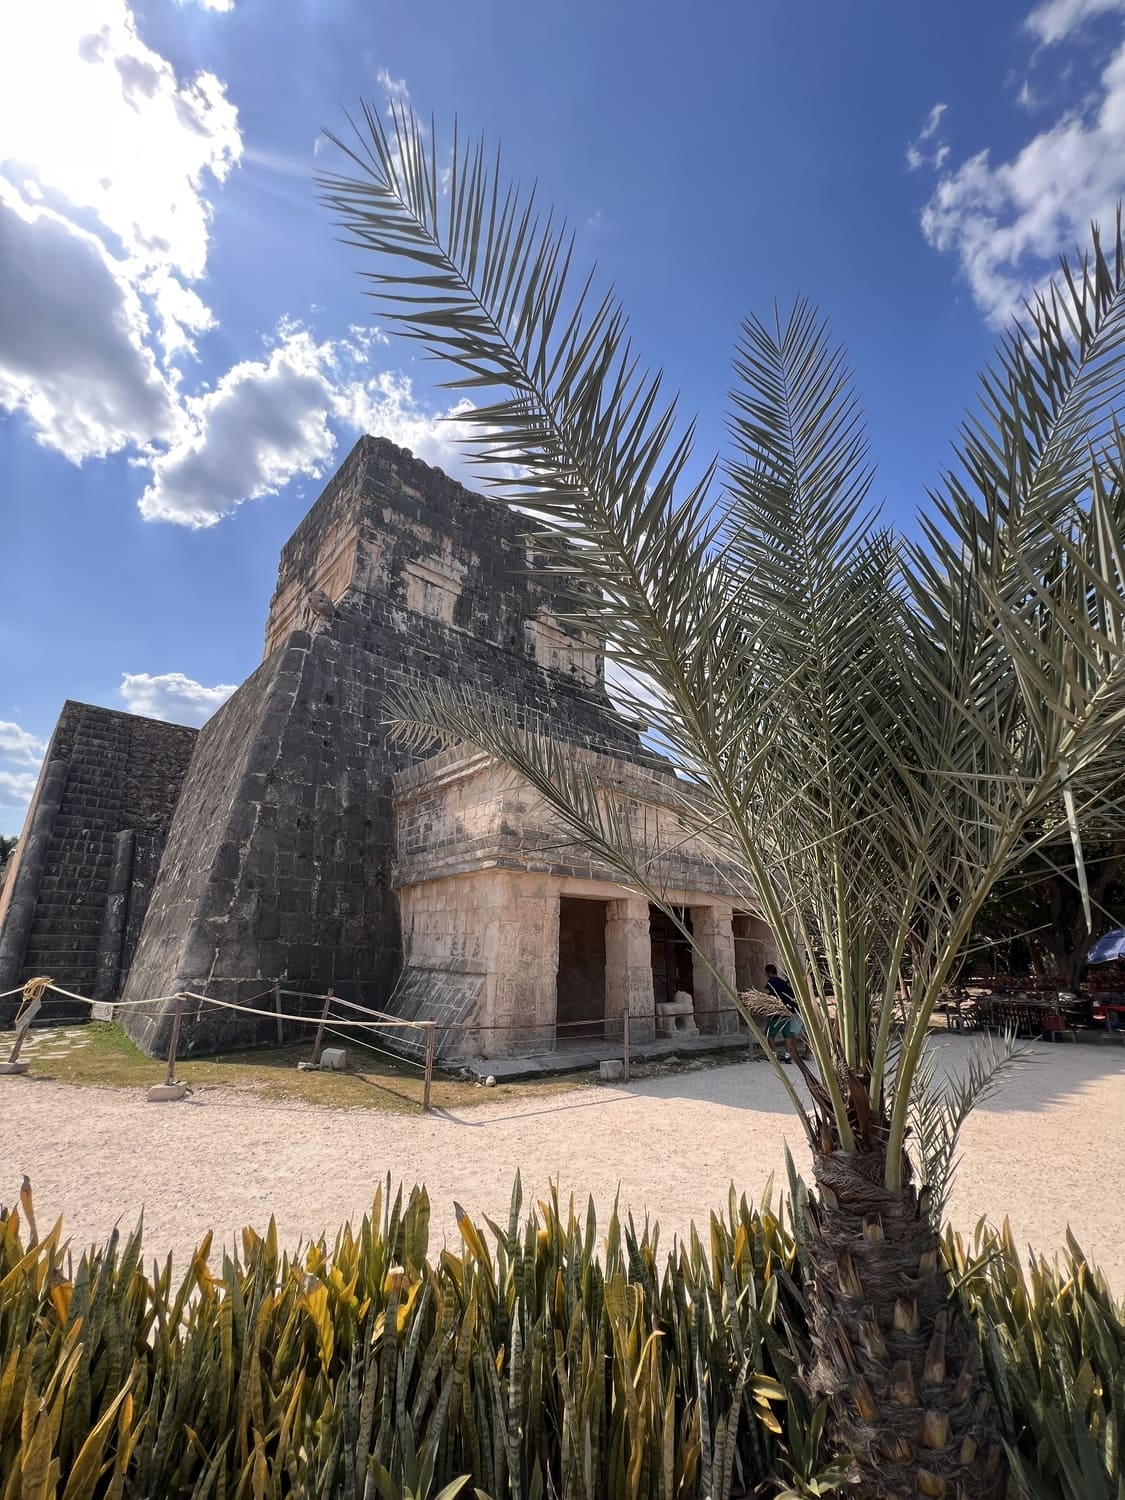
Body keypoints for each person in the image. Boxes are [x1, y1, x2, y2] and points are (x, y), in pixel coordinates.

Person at [763, 963, 805, 1063]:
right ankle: (787, 1056)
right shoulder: (783, 982)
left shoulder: (772, 981)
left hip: (777, 1013)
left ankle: (773, 1056)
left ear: (768, 973)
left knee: (770, 1035)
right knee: (787, 1035)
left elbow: (765, 992)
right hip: (787, 1012)